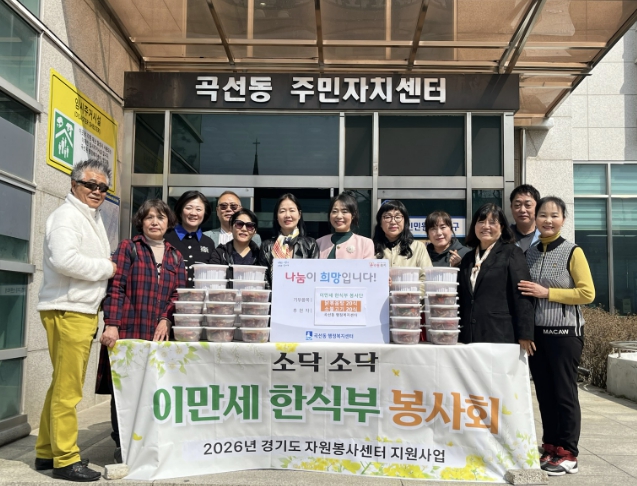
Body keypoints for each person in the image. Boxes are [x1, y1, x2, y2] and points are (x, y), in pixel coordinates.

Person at [35, 159, 116, 482]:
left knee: (60, 385)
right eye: (90, 185)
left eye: (102, 187)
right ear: (74, 184)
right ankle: (66, 459)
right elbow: (64, 260)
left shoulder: (88, 216)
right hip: (68, 310)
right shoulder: (67, 216)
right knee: (68, 391)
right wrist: (108, 268)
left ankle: (46, 450)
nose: (97, 191)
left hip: (78, 309)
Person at [96, 199, 186, 465]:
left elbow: (178, 294)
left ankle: (150, 440)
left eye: (160, 217)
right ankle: (122, 443)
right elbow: (115, 288)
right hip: (129, 330)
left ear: (169, 222)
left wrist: (166, 319)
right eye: (149, 217)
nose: (155, 222)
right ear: (141, 221)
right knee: (125, 388)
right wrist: (112, 323)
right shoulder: (129, 248)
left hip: (159, 335)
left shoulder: (175, 256)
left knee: (155, 388)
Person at [518, 197, 595, 476]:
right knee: (545, 393)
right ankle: (550, 446)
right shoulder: (529, 253)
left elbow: (587, 293)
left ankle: (568, 452)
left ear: (563, 219)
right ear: (535, 219)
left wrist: (547, 292)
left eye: (554, 215)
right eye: (543, 215)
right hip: (537, 336)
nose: (548, 220)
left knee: (564, 393)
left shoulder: (573, 251)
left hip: (565, 335)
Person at [457, 203, 534, 353]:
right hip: (468, 336)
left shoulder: (512, 253)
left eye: (492, 222)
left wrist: (525, 333)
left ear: (502, 227)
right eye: (481, 221)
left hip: (500, 334)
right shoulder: (467, 258)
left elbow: (522, 294)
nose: (486, 226)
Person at [259, 193, 319, 287]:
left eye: (292, 210)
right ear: (276, 216)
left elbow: (313, 277)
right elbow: (264, 280)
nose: (287, 215)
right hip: (274, 296)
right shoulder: (266, 246)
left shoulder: (310, 244)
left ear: (299, 214)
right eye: (282, 211)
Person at [373, 200, 432, 293]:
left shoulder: (418, 247)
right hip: (379, 301)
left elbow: (428, 279)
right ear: (380, 222)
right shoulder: (370, 247)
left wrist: (409, 294)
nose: (393, 221)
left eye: (398, 217)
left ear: (405, 221)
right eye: (387, 217)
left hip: (410, 301)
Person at [164, 190, 216, 286]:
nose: (193, 213)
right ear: (180, 211)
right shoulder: (166, 237)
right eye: (188, 208)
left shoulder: (209, 243)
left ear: (205, 213)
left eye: (198, 209)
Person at [317, 191, 374, 259]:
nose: (339, 216)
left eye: (344, 211)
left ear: (353, 215)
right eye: (334, 211)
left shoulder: (365, 243)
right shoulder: (319, 243)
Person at [510, 184, 541, 253]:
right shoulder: (502, 237)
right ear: (511, 208)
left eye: (528, 205)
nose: (522, 210)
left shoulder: (545, 238)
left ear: (538, 208)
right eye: (517, 205)